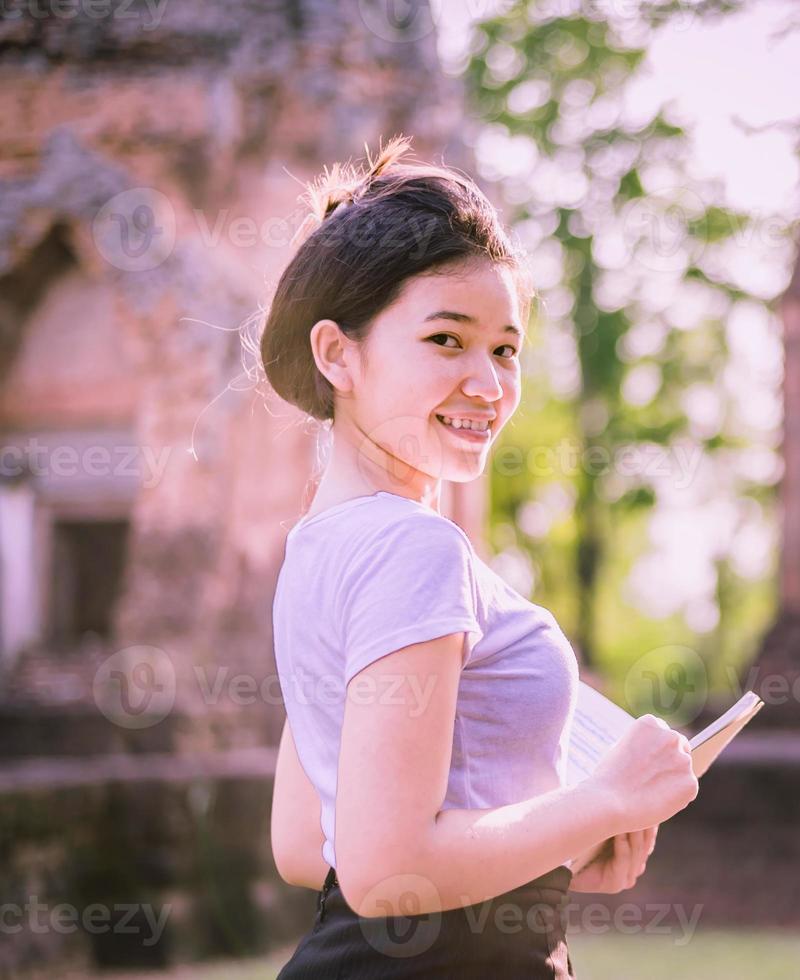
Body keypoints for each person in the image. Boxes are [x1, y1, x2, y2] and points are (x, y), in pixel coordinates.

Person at [256, 135, 699, 978]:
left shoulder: (318, 547)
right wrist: (603, 798)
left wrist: (558, 844)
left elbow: (309, 849)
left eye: (505, 349)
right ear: (336, 353)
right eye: (446, 340)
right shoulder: (413, 547)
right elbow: (386, 872)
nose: (490, 386)